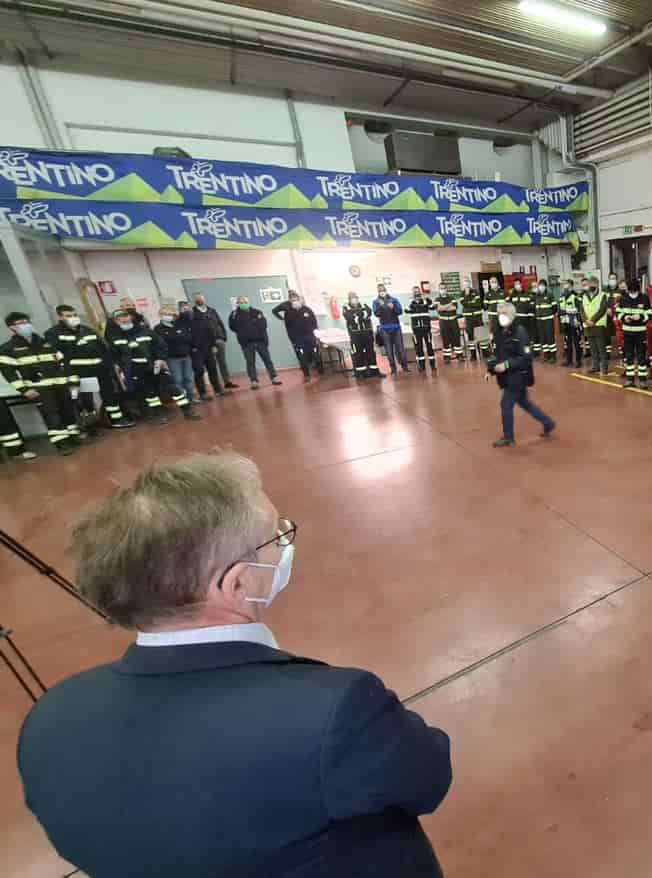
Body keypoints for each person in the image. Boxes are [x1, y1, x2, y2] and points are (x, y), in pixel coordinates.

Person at [17, 452, 452, 877]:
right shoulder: (335, 711)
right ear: (238, 583)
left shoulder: (50, 718)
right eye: (274, 537)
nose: (284, 545)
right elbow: (426, 777)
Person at [1, 313, 81, 454]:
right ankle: (61, 444)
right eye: (20, 322)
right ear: (11, 327)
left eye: (26, 321)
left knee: (68, 412)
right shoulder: (8, 349)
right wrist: (24, 390)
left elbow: (63, 362)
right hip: (39, 388)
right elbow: (9, 373)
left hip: (60, 384)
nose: (25, 325)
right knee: (52, 415)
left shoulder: (46, 343)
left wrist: (72, 381)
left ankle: (73, 437)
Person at [45, 304, 133, 430]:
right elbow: (57, 354)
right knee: (83, 401)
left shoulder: (87, 330)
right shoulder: (53, 333)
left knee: (110, 396)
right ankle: (89, 425)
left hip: (99, 369)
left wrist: (108, 364)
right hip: (77, 372)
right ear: (60, 317)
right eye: (68, 316)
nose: (73, 318)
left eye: (74, 315)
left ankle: (116, 419)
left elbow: (102, 348)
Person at [106, 308, 201, 424]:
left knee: (172, 389)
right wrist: (124, 369)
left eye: (125, 316)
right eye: (120, 317)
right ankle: (159, 415)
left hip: (155, 365)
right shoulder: (115, 337)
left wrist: (160, 359)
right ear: (116, 321)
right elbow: (115, 356)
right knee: (150, 394)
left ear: (130, 317)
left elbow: (161, 345)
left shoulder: (144, 331)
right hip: (137, 371)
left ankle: (188, 411)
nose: (124, 319)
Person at [488, 301, 555, 448]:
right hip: (508, 376)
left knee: (506, 404)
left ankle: (508, 438)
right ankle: (548, 423)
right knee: (525, 403)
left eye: (504, 313)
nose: (501, 316)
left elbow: (525, 358)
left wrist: (506, 365)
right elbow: (498, 353)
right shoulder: (500, 332)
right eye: (499, 313)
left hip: (518, 375)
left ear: (511, 315)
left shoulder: (520, 332)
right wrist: (491, 369)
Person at [229, 296, 283, 390]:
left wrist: (265, 340)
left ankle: (274, 377)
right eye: (241, 302)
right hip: (246, 343)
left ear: (248, 302)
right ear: (237, 304)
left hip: (260, 341)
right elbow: (233, 327)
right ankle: (254, 381)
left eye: (245, 302)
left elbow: (263, 325)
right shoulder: (234, 314)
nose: (243, 304)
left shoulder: (257, 312)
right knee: (250, 363)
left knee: (267, 360)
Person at [191, 294, 237, 392]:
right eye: (197, 298)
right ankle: (212, 388)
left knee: (222, 362)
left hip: (218, 340)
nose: (199, 299)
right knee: (210, 366)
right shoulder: (193, 313)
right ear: (194, 300)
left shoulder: (211, 310)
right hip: (205, 344)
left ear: (204, 299)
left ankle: (227, 382)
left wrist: (223, 337)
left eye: (201, 297)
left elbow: (220, 323)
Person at [273, 291, 322, 383]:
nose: (295, 301)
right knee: (302, 357)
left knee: (315, 354)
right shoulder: (288, 312)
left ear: (299, 299)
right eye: (292, 299)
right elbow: (288, 327)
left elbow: (314, 322)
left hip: (310, 336)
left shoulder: (307, 309)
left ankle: (320, 371)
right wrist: (292, 339)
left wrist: (316, 334)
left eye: (296, 299)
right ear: (290, 301)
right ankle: (306, 375)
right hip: (298, 338)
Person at [154, 305, 198, 405]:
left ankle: (191, 398)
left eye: (170, 314)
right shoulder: (158, 329)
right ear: (160, 315)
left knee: (189, 378)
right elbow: (163, 342)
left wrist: (175, 337)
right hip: (172, 358)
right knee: (178, 380)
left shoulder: (179, 324)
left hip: (186, 356)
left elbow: (187, 337)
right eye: (165, 314)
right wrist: (178, 336)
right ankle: (183, 400)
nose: (168, 316)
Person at [616, 281, 652, 387]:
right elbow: (618, 312)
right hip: (627, 332)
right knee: (628, 356)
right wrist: (624, 317)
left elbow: (649, 314)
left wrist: (640, 317)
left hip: (640, 332)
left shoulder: (644, 298)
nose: (630, 292)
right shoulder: (623, 298)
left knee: (641, 356)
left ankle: (642, 380)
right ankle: (630, 379)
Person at [343, 292, 383, 379]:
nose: (354, 299)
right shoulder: (346, 307)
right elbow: (349, 318)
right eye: (352, 298)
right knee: (358, 353)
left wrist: (358, 316)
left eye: (355, 297)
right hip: (355, 334)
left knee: (371, 352)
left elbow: (368, 313)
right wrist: (360, 315)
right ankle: (361, 373)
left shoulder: (364, 304)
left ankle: (374, 371)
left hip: (367, 333)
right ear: (349, 299)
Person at [373, 284, 410, 375]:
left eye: (383, 290)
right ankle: (393, 369)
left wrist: (393, 307)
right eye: (380, 291)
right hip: (384, 329)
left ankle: (404, 367)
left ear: (386, 290)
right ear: (378, 292)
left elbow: (400, 311)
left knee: (400, 349)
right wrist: (380, 307)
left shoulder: (394, 299)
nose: (382, 292)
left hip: (396, 327)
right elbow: (376, 314)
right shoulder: (376, 302)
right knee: (389, 350)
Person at [580, 279, 612, 376]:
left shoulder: (603, 295)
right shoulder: (584, 296)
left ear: (597, 284)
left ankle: (604, 368)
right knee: (593, 348)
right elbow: (581, 311)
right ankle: (595, 367)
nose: (589, 286)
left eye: (592, 284)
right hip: (588, 326)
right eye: (589, 284)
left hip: (598, 326)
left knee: (601, 348)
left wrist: (593, 320)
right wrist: (586, 321)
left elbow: (602, 310)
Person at [407, 286, 437, 372]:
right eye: (415, 291)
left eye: (418, 291)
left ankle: (432, 365)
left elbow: (432, 307)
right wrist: (412, 302)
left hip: (426, 329)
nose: (416, 293)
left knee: (429, 347)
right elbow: (406, 310)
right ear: (413, 293)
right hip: (416, 330)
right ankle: (422, 365)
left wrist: (426, 299)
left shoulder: (425, 300)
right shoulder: (411, 301)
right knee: (418, 348)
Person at [559, 279, 583, 367]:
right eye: (564, 285)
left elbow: (578, 309)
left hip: (574, 321)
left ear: (571, 286)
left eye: (567, 285)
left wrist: (566, 311)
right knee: (567, 342)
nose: (565, 287)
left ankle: (578, 361)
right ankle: (569, 360)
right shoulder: (561, 296)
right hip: (565, 322)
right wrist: (561, 313)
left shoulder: (575, 296)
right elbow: (560, 308)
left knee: (577, 342)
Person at [533, 279, 558, 363]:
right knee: (543, 339)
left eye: (542, 285)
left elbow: (554, 307)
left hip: (548, 320)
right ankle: (546, 355)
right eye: (540, 285)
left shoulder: (550, 295)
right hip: (540, 321)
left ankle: (553, 356)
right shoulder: (537, 295)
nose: (541, 287)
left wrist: (550, 314)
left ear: (545, 286)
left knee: (550, 338)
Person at [435, 287, 461, 363]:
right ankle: (447, 357)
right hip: (443, 322)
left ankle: (459, 355)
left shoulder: (452, 298)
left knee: (456, 338)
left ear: (446, 289)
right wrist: (449, 305)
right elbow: (439, 309)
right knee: (445, 339)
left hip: (453, 321)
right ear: (439, 289)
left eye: (444, 288)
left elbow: (453, 308)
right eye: (441, 288)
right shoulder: (437, 299)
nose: (443, 290)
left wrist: (443, 307)